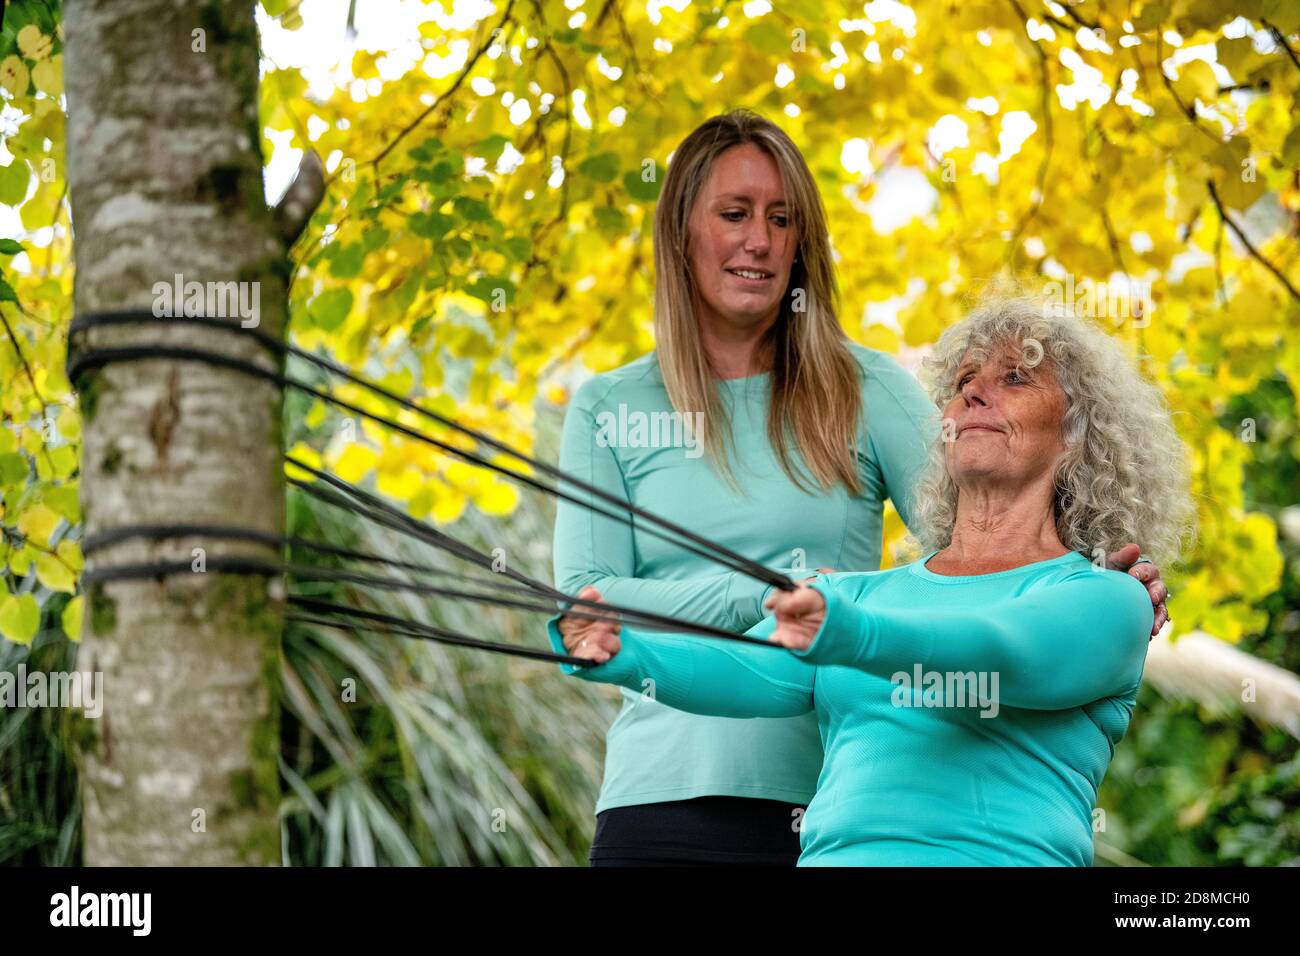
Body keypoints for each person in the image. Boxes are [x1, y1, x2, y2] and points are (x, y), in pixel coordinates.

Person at [553, 109, 1169, 866]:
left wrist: (839, 620)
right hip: (680, 805)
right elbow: (747, 664)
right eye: (964, 381)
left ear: (1081, 433)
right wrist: (621, 651)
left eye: (1016, 379)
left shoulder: (1088, 598)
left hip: (811, 804)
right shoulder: (870, 595)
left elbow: (991, 644)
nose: (974, 395)